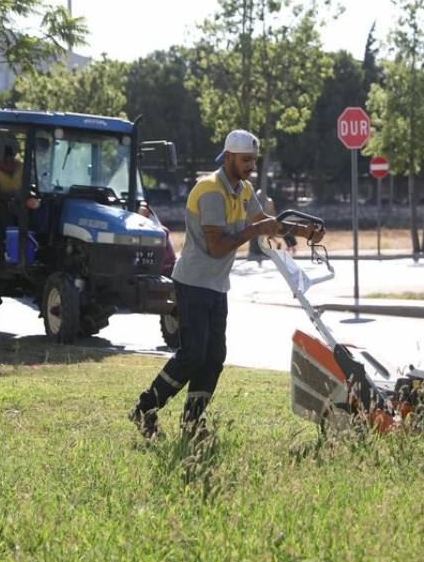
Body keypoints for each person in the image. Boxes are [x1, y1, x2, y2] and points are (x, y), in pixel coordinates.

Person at [128, 129, 324, 440]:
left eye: (254, 161)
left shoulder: (243, 190)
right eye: (246, 160)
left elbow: (264, 222)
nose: (252, 166)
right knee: (193, 354)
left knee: (215, 356)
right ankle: (144, 409)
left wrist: (303, 230)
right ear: (229, 157)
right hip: (192, 282)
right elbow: (218, 246)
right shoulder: (210, 190)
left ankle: (192, 425)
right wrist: (256, 228)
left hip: (216, 286)